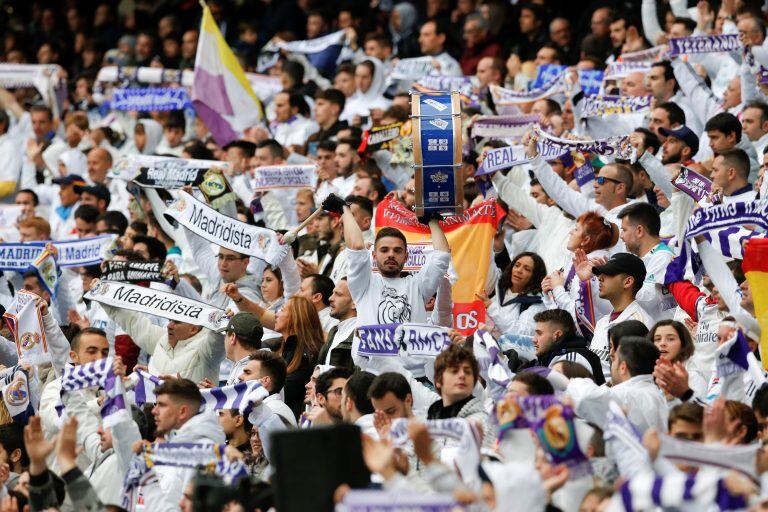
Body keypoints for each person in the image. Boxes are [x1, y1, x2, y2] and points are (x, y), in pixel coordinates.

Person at [581, 253, 653, 378]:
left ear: (628, 282)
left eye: (609, 273)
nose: (600, 278)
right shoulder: (603, 322)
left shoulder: (639, 323)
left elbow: (635, 378)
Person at [272, 295, 325, 419]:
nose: (276, 314)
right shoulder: (286, 348)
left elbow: (282, 392)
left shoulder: (306, 355)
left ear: (295, 317)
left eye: (282, 310)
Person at [478, 251, 547, 340]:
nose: (519, 270)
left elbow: (517, 334)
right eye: (517, 265)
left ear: (535, 276)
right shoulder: (497, 286)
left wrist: (491, 307)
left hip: (504, 352)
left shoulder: (536, 304)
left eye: (527, 269)